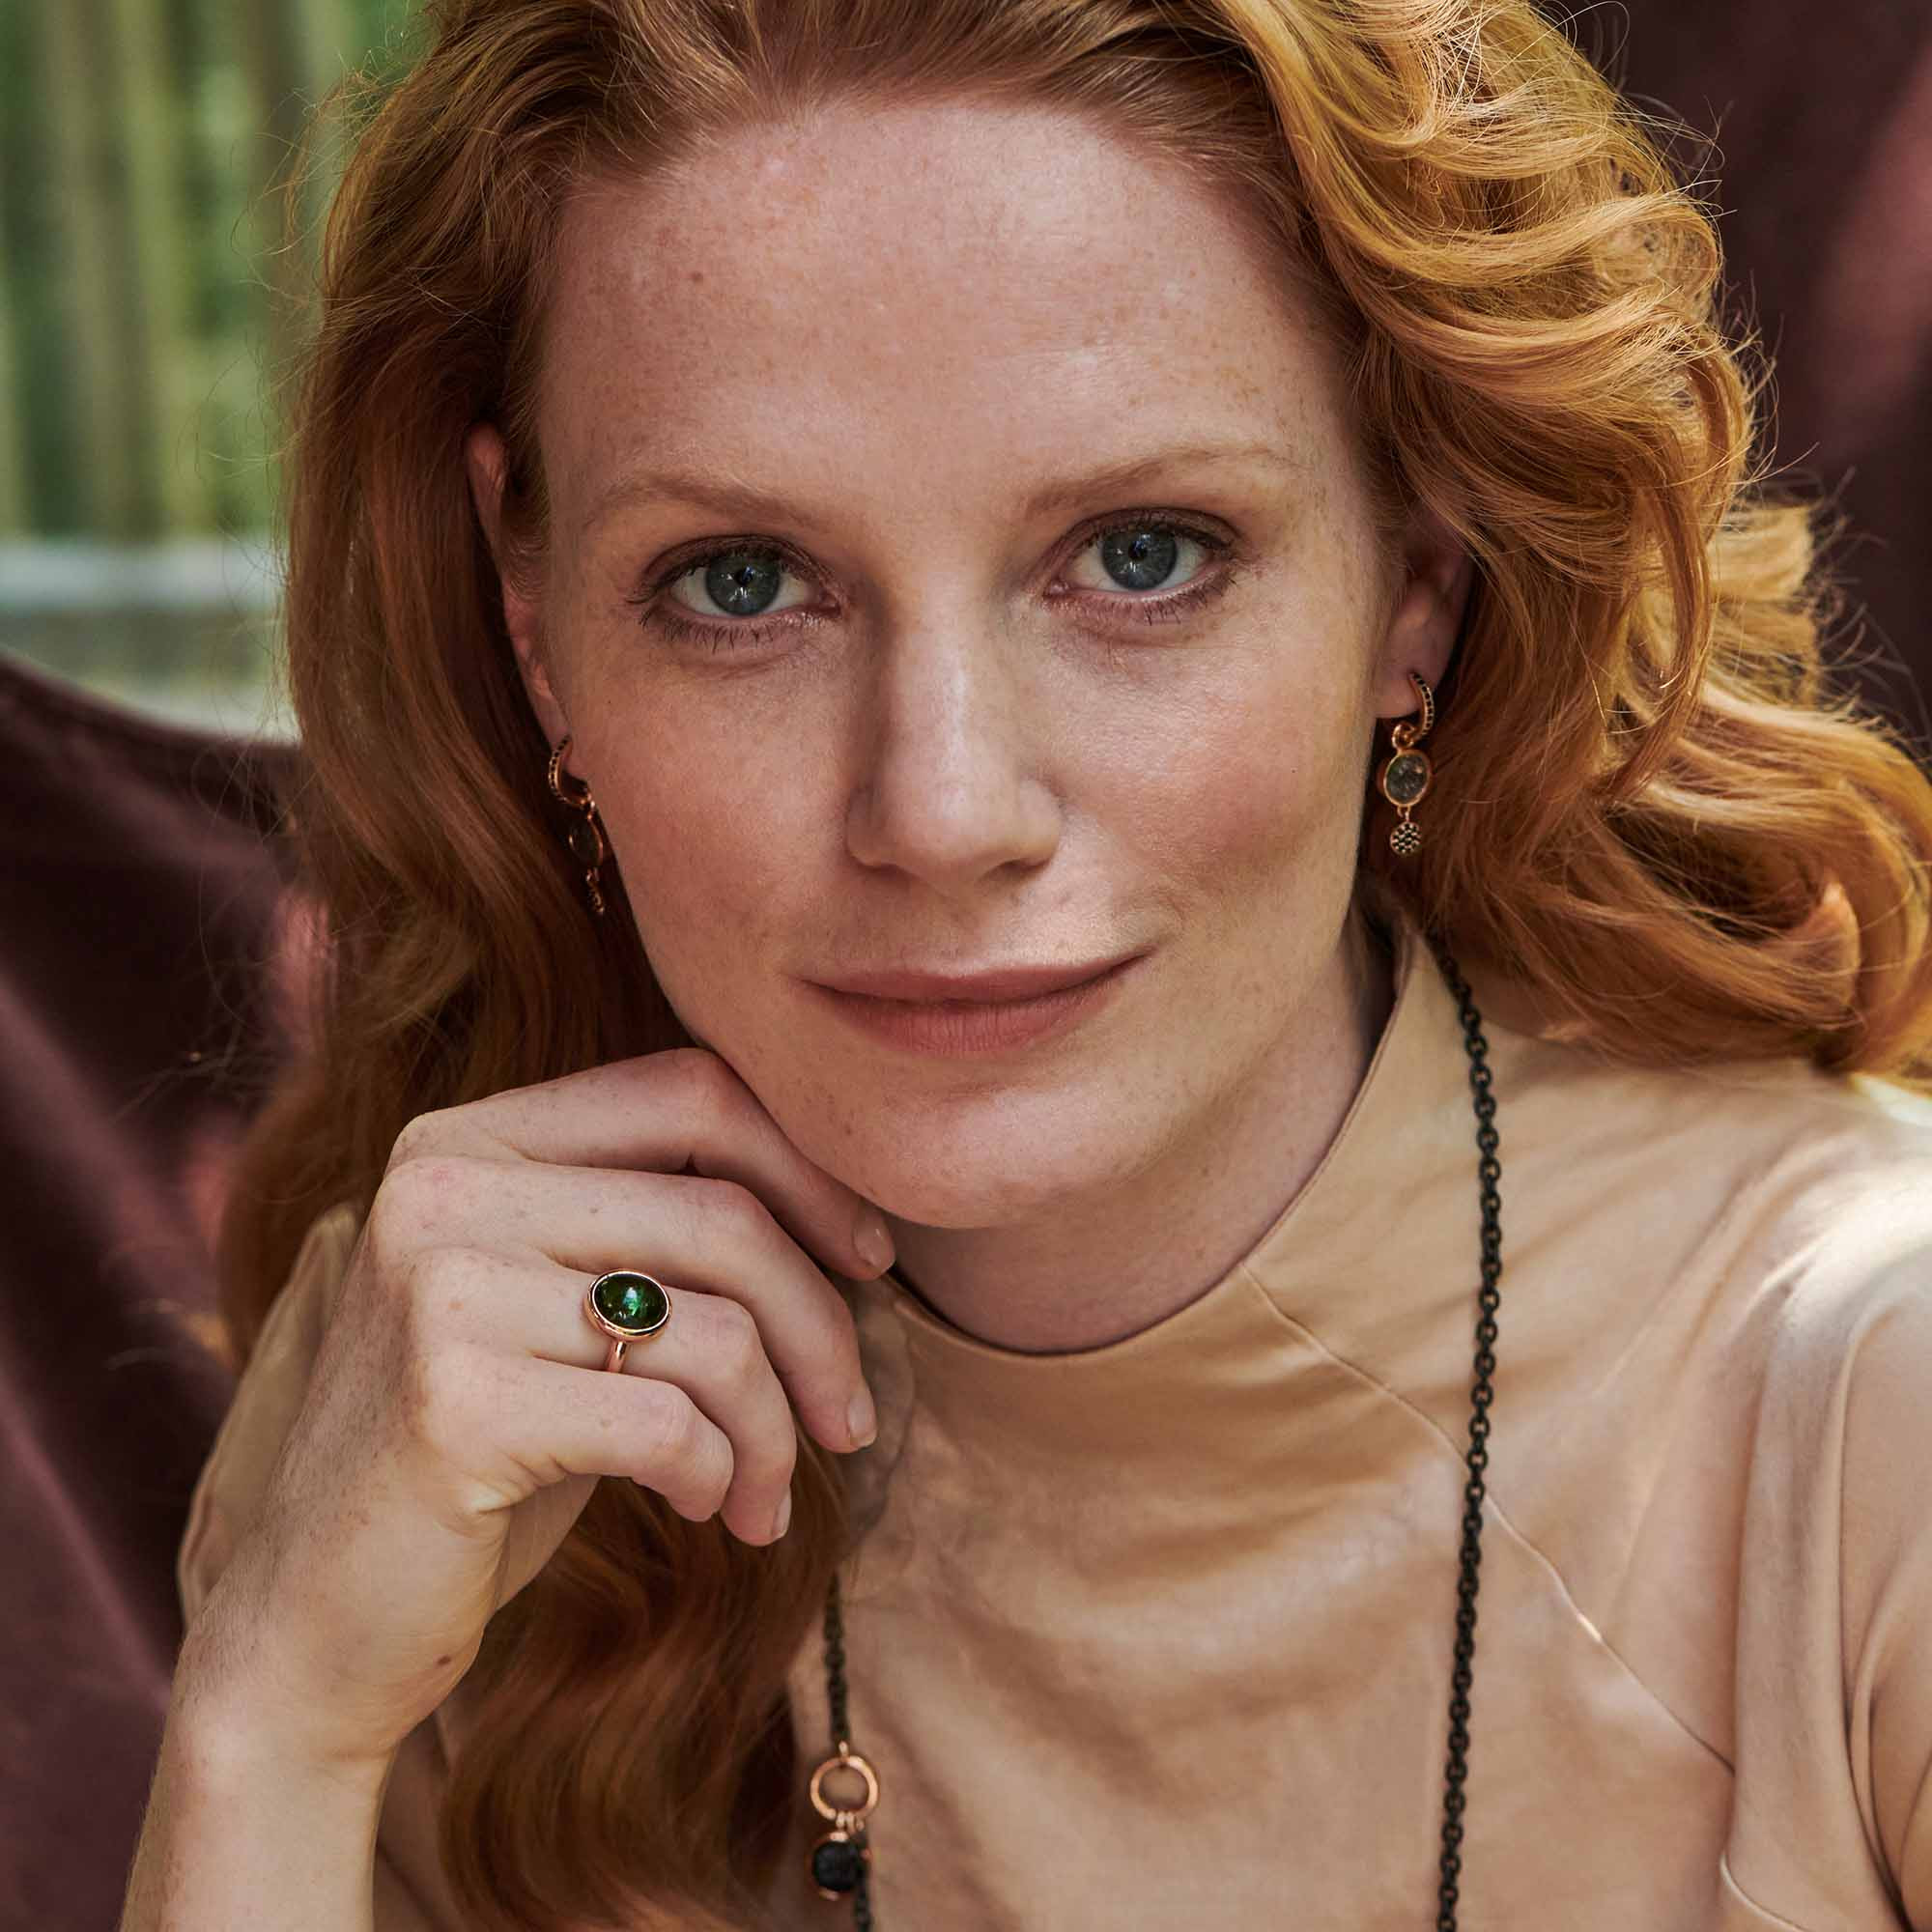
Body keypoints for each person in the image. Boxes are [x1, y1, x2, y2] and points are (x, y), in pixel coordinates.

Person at [117, 0, 1932, 1927]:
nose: (942, 808)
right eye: (743, 582)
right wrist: (273, 1723)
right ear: (533, 625)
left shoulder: (1865, 1401)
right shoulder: (461, 1409)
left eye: (1142, 556)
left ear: (1420, 576)